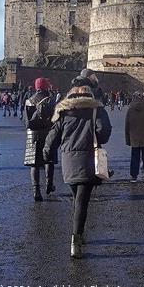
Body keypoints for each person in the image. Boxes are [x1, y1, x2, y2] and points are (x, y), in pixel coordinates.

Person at [43, 85, 112, 259]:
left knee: (77, 197)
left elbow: (52, 137)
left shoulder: (64, 113)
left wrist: (47, 152)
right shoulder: (97, 110)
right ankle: (76, 238)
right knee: (82, 200)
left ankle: (79, 233)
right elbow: (103, 134)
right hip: (88, 159)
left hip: (68, 161)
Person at [23, 78, 56, 201]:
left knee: (35, 164)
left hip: (33, 134)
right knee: (49, 160)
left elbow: (26, 122)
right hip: (48, 133)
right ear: (46, 86)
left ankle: (36, 190)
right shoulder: (51, 100)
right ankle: (49, 185)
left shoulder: (29, 100)